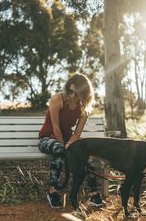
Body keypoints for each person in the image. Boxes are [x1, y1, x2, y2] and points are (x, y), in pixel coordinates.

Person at [38, 73, 105, 208]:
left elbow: (77, 133)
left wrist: (69, 144)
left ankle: (94, 194)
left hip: (68, 139)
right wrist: (65, 147)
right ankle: (53, 191)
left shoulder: (83, 108)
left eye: (77, 93)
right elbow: (55, 127)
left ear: (84, 94)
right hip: (47, 137)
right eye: (70, 91)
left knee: (83, 154)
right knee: (59, 150)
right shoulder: (58, 99)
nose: (72, 95)